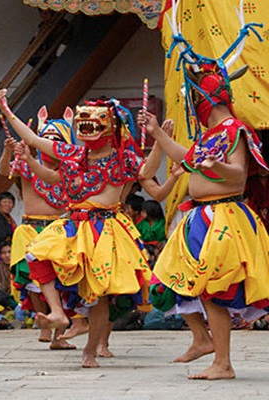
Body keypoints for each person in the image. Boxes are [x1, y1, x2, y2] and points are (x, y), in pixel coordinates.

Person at [0, 87, 165, 368]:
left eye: (93, 119)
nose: (86, 124)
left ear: (110, 125)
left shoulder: (124, 158)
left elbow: (148, 176)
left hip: (105, 229)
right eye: (82, 119)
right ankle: (58, 313)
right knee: (36, 254)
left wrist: (157, 137)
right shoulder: (74, 154)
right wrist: (5, 107)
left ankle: (90, 351)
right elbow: (33, 137)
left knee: (100, 297)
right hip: (73, 224)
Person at [138, 14, 269, 379]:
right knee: (176, 280)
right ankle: (204, 342)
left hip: (224, 217)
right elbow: (188, 158)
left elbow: (238, 174)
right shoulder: (207, 135)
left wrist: (217, 165)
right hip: (201, 216)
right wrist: (156, 135)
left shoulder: (234, 130)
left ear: (206, 99)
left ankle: (223, 363)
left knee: (213, 291)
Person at [1, 106, 80, 349]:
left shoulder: (71, 170)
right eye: (46, 139)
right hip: (30, 229)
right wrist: (7, 153)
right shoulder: (26, 164)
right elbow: (5, 171)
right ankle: (46, 325)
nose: (50, 145)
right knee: (32, 280)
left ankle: (59, 334)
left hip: (60, 231)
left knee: (63, 282)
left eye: (56, 141)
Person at [136, 200, 167, 269]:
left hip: (159, 247)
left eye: (143, 212)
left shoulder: (162, 223)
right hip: (144, 246)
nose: (141, 213)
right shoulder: (142, 223)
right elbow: (137, 235)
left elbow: (163, 238)